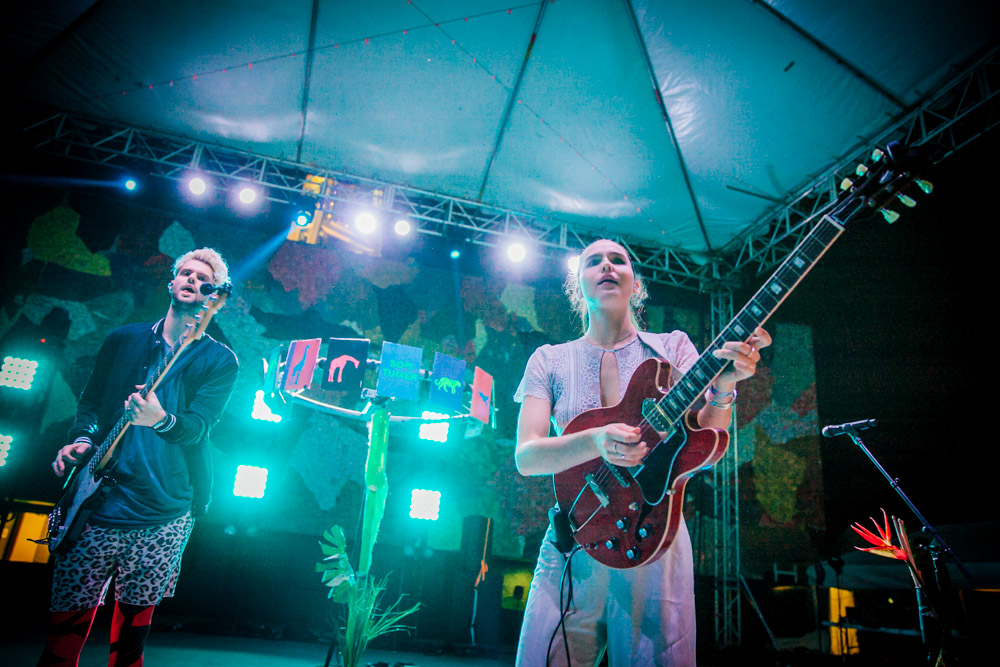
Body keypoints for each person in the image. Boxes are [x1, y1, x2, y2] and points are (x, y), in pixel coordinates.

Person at [513, 239, 771, 666]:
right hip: (577, 533)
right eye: (593, 261)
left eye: (619, 260)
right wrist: (595, 440)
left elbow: (706, 441)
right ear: (578, 285)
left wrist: (725, 386)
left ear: (636, 284)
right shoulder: (549, 360)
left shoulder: (673, 348)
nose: (607, 266)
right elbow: (528, 456)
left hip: (656, 533)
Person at [38, 248, 239, 667]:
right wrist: (82, 440)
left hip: (163, 512)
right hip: (97, 505)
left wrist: (160, 420)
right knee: (62, 641)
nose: (191, 279)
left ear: (214, 297)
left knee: (128, 651)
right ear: (171, 283)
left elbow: (199, 427)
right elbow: (91, 404)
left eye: (203, 278)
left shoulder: (219, 360)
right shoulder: (124, 340)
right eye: (185, 273)